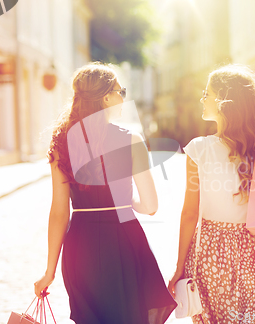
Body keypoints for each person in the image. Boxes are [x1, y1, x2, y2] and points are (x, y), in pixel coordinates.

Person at [34, 62, 177, 324]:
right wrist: (128, 201)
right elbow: (150, 205)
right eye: (120, 91)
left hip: (80, 245)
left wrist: (49, 271)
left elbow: (58, 212)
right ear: (105, 97)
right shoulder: (131, 139)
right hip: (123, 240)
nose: (123, 98)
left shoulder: (61, 143)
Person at [168, 64, 255, 324]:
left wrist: (179, 267)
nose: (202, 99)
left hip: (211, 254)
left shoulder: (199, 149)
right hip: (251, 250)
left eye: (207, 94)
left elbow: (190, 213)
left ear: (224, 102)